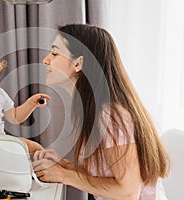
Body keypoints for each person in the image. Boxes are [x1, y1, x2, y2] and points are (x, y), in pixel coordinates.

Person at [32, 24, 169, 200]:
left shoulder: (111, 116)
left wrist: (64, 175)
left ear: (78, 63)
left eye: (55, 53)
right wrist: (65, 167)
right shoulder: (92, 110)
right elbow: (107, 175)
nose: (46, 60)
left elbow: (127, 192)